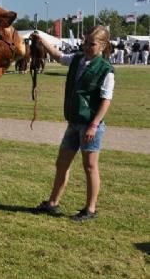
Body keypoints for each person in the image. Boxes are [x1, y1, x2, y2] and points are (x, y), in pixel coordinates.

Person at [31, 25, 115, 221]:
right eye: (85, 42)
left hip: (89, 125)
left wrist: (94, 125)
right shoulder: (78, 59)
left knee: (90, 166)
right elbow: (58, 56)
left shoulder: (106, 70)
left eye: (91, 44)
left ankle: (90, 209)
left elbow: (106, 100)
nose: (86, 47)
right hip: (74, 122)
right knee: (62, 163)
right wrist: (41, 40)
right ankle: (53, 203)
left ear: (103, 45)